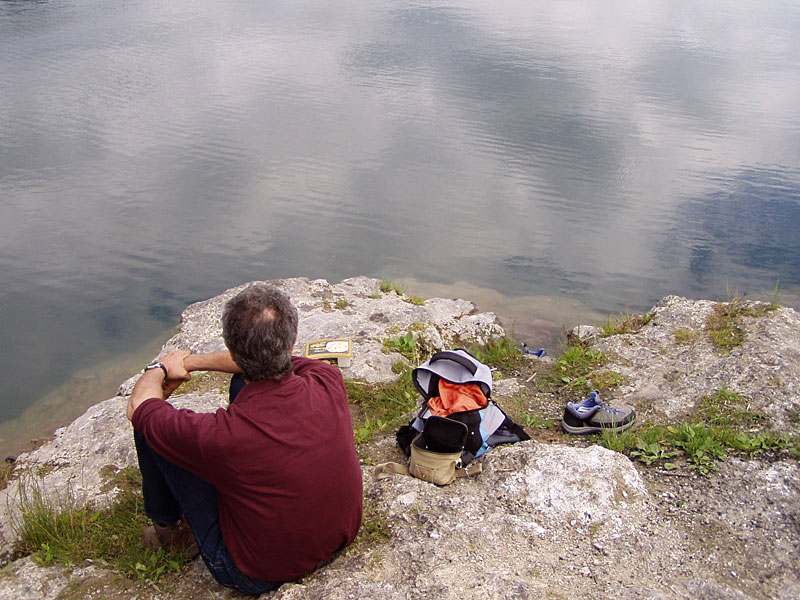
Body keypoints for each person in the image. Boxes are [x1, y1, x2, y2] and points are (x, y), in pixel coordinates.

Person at [126, 284, 363, 595]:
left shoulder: (222, 436)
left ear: (230, 345)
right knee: (245, 381)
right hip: (339, 537)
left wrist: (160, 368)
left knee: (151, 430)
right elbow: (251, 364)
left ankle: (169, 533)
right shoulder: (326, 379)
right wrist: (191, 361)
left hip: (257, 573)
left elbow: (138, 407)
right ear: (291, 342)